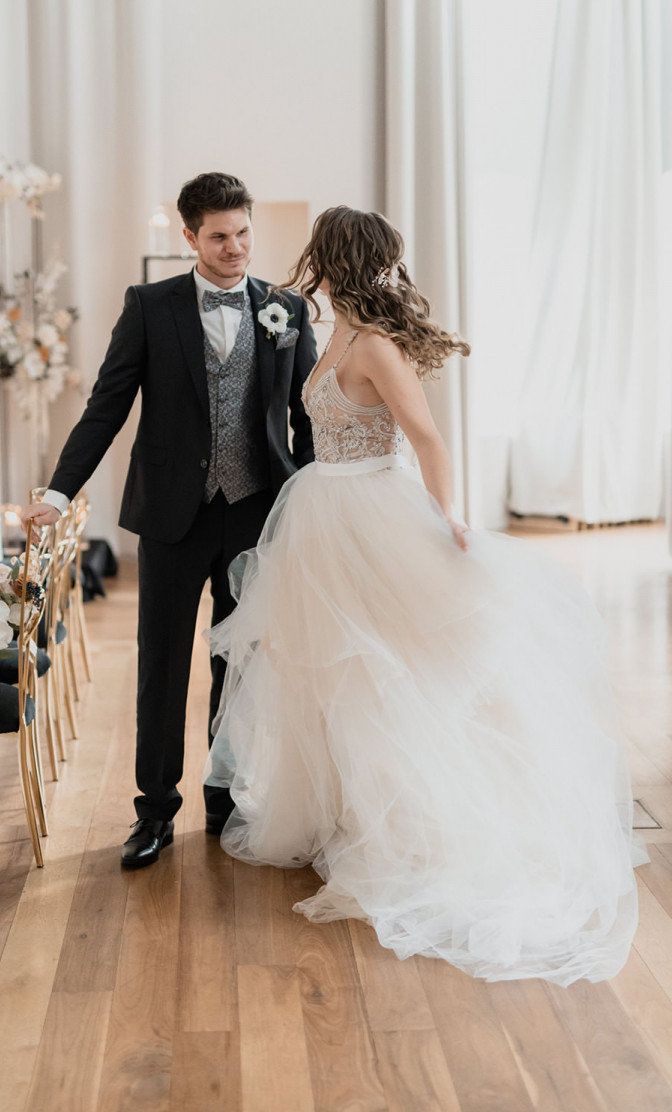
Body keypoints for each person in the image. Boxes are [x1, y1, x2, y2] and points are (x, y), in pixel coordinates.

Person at [205, 205, 648, 985]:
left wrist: (448, 516)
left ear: (335, 259)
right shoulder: (336, 331)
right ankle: (346, 819)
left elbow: (427, 437)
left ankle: (400, 833)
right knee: (329, 680)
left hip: (370, 515)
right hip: (321, 516)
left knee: (383, 678)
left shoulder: (373, 343)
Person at [20, 172, 317, 868]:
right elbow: (106, 406)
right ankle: (153, 811)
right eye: (219, 237)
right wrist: (59, 494)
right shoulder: (150, 306)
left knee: (237, 663)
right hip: (170, 516)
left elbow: (307, 414)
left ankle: (223, 797)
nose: (235, 247)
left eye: (243, 233)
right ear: (190, 237)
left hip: (256, 513)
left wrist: (311, 496)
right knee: (162, 665)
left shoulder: (286, 309)